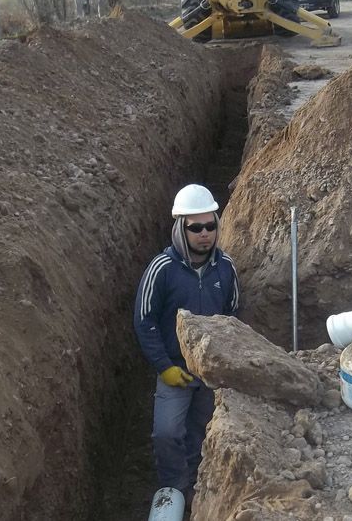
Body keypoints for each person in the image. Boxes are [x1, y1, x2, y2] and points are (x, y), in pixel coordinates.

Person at [133, 183, 241, 504]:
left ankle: (198, 483)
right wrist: (164, 367)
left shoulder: (226, 268)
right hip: (176, 372)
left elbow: (232, 316)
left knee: (203, 431)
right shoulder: (161, 270)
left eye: (210, 225)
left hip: (210, 374)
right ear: (181, 229)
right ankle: (173, 488)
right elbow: (144, 321)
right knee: (167, 433)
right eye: (196, 228)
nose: (204, 234)